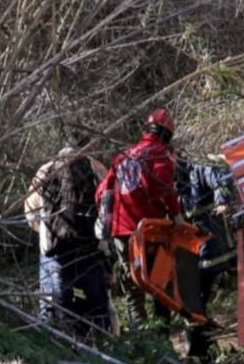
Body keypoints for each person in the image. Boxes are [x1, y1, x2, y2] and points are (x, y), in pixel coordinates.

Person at [95, 108, 183, 328]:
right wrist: (176, 216)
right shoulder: (159, 154)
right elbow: (163, 187)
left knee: (134, 290)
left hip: (121, 233)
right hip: (149, 232)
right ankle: (162, 336)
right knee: (160, 283)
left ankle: (141, 341)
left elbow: (101, 192)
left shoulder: (124, 155)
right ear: (167, 134)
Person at [24, 132, 111, 335]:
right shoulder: (97, 169)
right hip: (90, 252)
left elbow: (30, 215)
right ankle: (100, 352)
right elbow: (109, 214)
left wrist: (45, 230)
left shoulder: (45, 171)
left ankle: (51, 350)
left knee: (52, 311)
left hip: (55, 254)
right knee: (96, 312)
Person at [175, 155, 236, 362]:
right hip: (193, 249)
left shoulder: (197, 168)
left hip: (212, 244)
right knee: (193, 300)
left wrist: (222, 201)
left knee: (196, 298)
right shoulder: (170, 179)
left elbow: (221, 178)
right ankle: (202, 349)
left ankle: (201, 350)